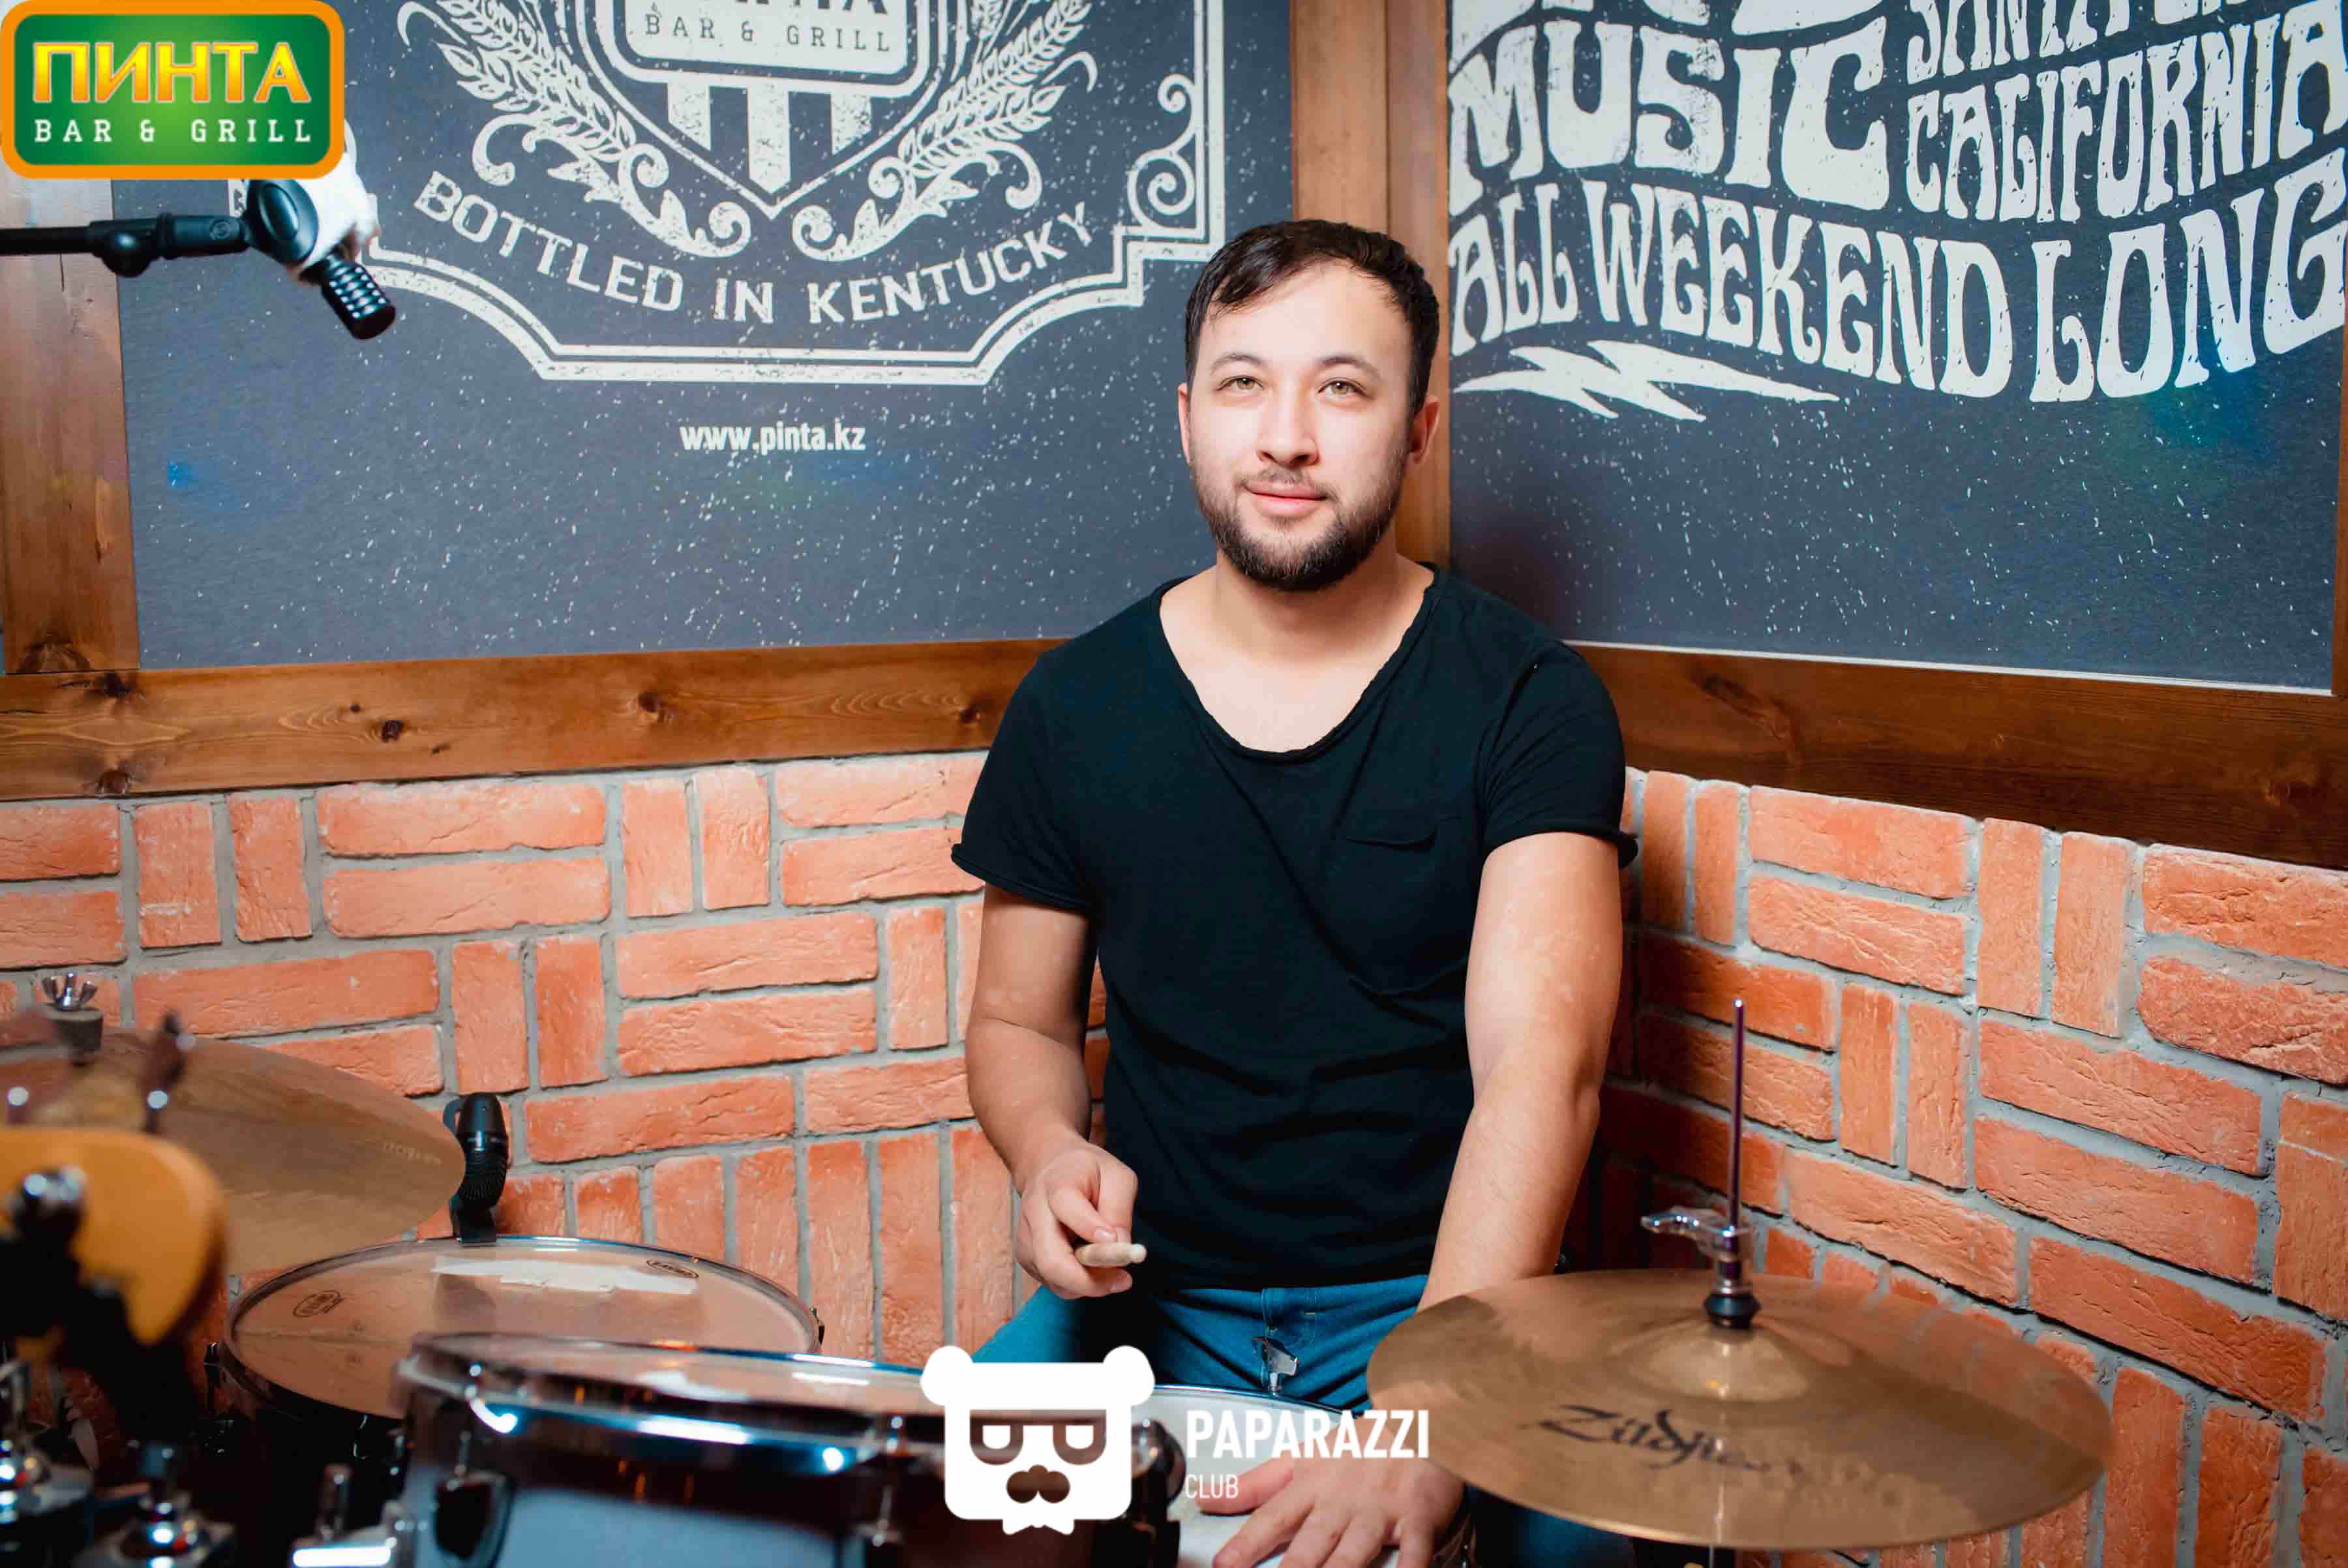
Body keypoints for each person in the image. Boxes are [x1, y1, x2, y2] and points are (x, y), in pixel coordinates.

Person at [951, 219, 1636, 1568]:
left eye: (1342, 388)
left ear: (1419, 429)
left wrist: (1429, 1413)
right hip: (1155, 1295)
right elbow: (1019, 1023)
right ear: (1187, 418)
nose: (1286, 438)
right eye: (1244, 384)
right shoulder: (1073, 705)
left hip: (1442, 1297)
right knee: (956, 1520)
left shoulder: (1530, 699)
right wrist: (1046, 1153)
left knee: (1578, 1554)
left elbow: (1541, 1075)